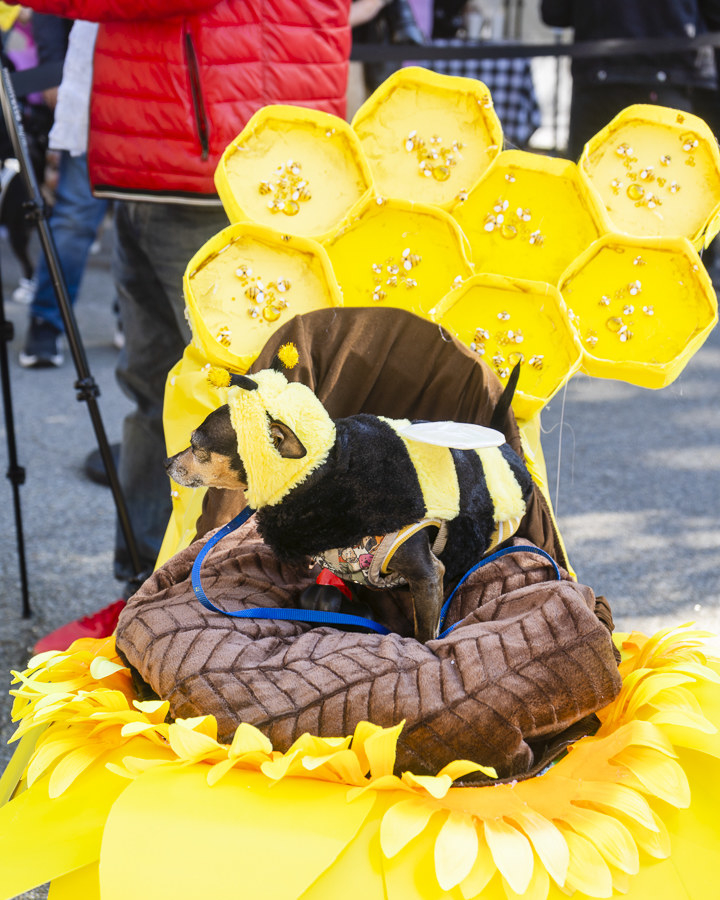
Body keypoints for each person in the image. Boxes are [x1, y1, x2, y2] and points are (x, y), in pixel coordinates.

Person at [19, 0, 352, 652]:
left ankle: (244, 594)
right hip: (168, 149)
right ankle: (154, 585)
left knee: (244, 400)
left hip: (213, 153)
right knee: (159, 389)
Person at [18, 18, 111, 368]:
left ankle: (132, 322)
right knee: (74, 220)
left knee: (144, 225)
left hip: (157, 102)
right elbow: (48, 11)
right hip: (89, 88)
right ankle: (46, 321)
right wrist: (55, 69)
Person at [540, 0, 720, 161]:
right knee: (673, 188)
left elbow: (554, 13)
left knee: (589, 189)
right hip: (673, 78)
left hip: (598, 81)